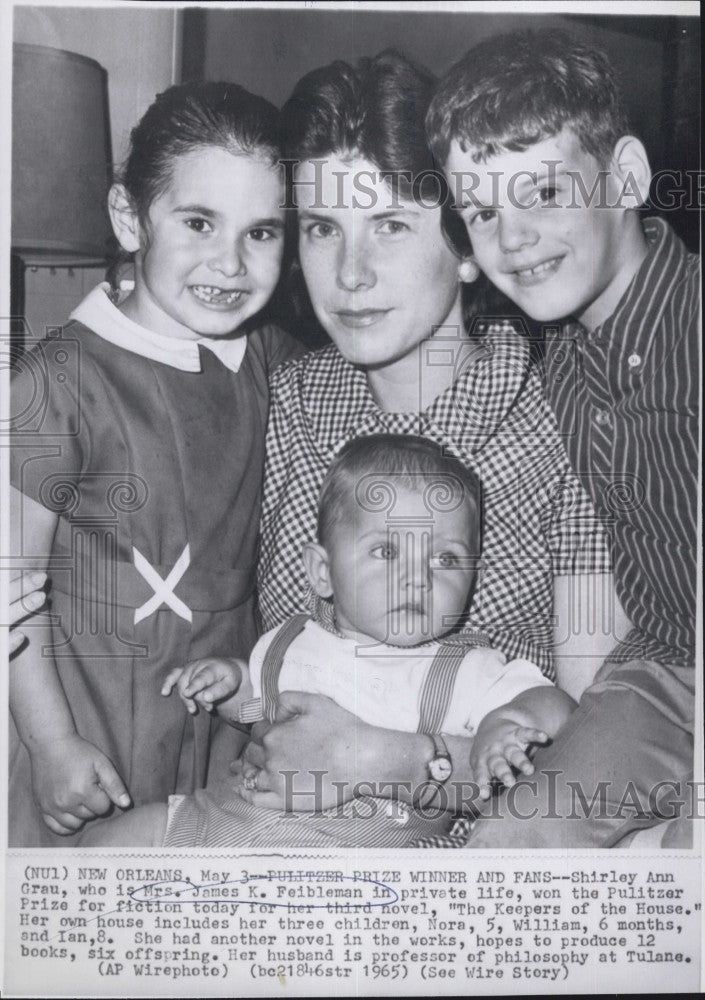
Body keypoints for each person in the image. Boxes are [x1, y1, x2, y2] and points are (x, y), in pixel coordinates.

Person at [238, 51, 625, 833]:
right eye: (321, 228)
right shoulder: (283, 405)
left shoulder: (569, 425)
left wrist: (390, 759)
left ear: (463, 244)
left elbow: (592, 750)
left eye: (388, 225)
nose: (348, 274)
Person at [425, 28, 699, 847]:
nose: (510, 238)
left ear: (624, 176)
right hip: (665, 668)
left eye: (542, 192)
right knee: (507, 844)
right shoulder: (566, 363)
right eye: (482, 210)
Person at [8, 81, 299, 846]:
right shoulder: (55, 381)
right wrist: (49, 744)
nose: (230, 264)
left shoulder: (270, 358)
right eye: (199, 221)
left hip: (224, 728)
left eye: (262, 232)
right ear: (128, 218)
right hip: (90, 721)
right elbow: (11, 586)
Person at [80, 434, 575, 848]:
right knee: (114, 842)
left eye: (444, 560)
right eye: (386, 550)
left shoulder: (464, 669)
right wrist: (231, 687)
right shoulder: (291, 641)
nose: (417, 580)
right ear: (322, 571)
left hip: (343, 862)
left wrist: (510, 724)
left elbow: (556, 706)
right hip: (222, 824)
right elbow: (261, 709)